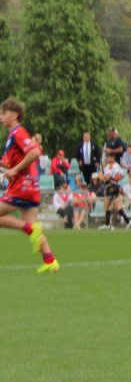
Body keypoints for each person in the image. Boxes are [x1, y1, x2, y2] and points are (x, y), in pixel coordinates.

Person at [0, 99, 59, 272]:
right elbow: (9, 162)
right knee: (34, 229)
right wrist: (7, 166)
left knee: (30, 227)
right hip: (29, 187)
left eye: (4, 113)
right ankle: (50, 260)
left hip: (23, 186)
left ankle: (29, 228)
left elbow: (35, 152)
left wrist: (15, 169)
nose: (1, 117)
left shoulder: (18, 133)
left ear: (15, 115)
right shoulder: (12, 136)